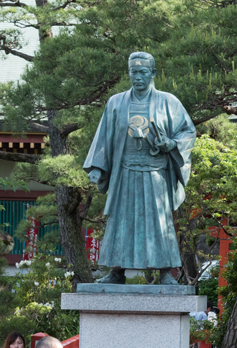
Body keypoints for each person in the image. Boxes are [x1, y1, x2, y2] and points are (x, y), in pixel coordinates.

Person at [83, 51, 196, 285]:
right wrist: (98, 167)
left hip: (156, 174)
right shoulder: (116, 102)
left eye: (143, 72)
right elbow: (103, 136)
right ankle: (116, 271)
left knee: (159, 222)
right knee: (120, 220)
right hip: (125, 173)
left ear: (153, 73)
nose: (138, 78)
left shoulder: (169, 102)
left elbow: (188, 131)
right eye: (133, 72)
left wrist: (171, 144)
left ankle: (165, 272)